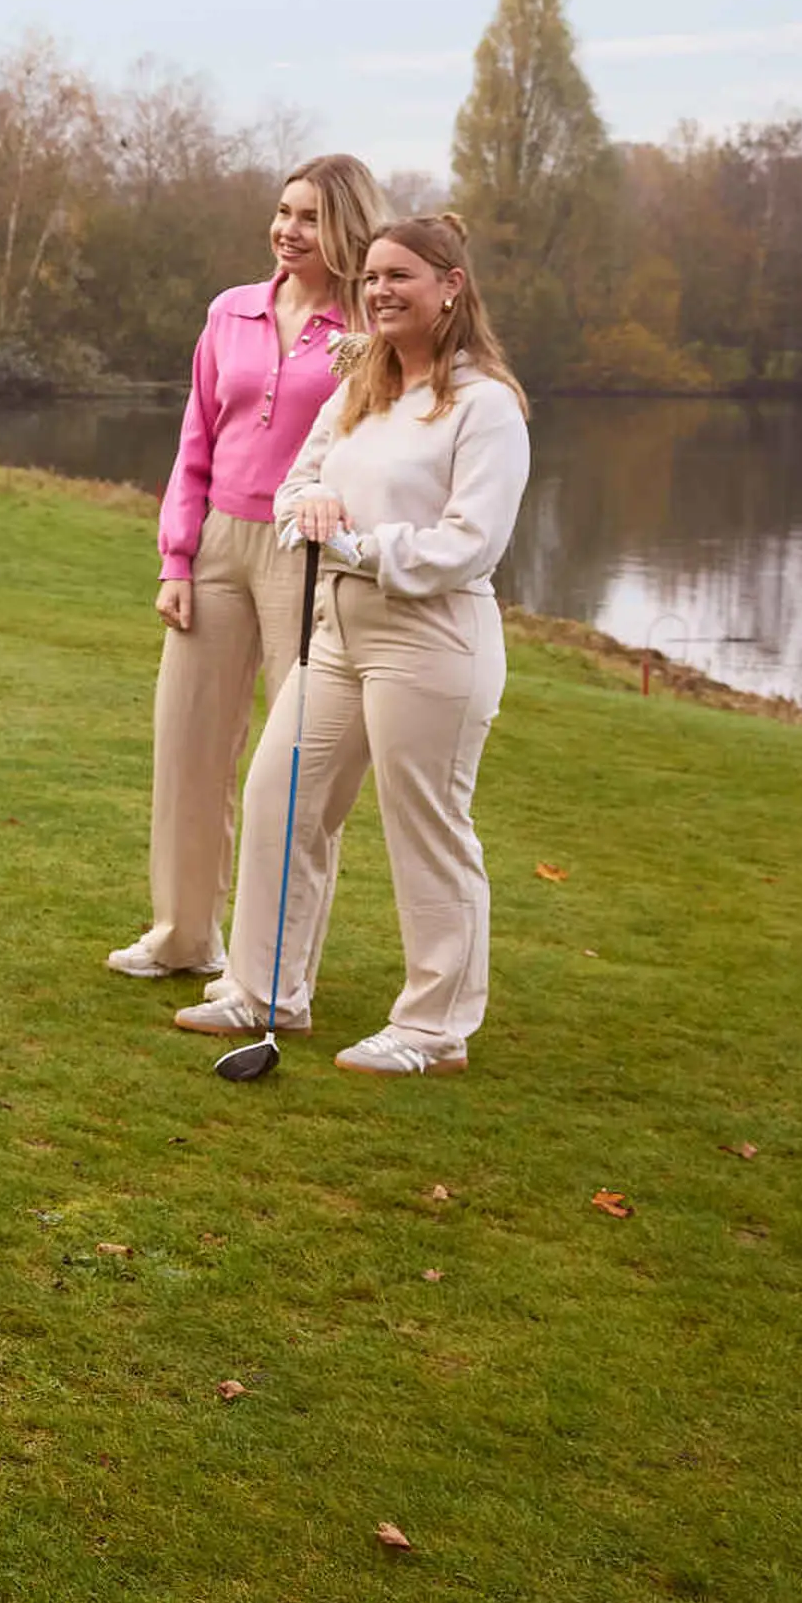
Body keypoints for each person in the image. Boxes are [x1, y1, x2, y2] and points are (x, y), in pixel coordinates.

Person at [175, 213, 531, 1076]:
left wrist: (361, 547)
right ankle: (264, 993)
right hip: (337, 632)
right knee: (279, 797)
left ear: (451, 286)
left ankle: (433, 1030)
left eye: (400, 277)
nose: (380, 292)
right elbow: (299, 480)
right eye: (372, 278)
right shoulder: (363, 383)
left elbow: (471, 543)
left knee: (428, 828)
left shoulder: (484, 406)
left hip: (433, 640)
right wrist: (315, 510)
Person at [111, 154, 390, 981]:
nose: (287, 231)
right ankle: (183, 937)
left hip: (306, 557)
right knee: (189, 746)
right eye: (282, 212)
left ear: (345, 228)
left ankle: (276, 969)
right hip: (219, 545)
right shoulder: (229, 312)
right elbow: (196, 438)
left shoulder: (363, 335)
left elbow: (367, 449)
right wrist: (177, 558)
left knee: (299, 765)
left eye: (309, 218)